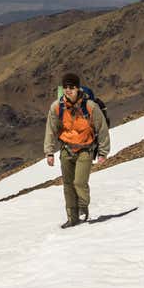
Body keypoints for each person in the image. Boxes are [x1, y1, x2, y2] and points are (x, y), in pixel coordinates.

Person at [44, 72, 110, 228]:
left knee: (79, 183)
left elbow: (102, 129)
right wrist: (49, 152)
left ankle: (82, 206)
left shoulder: (90, 107)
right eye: (66, 87)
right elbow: (51, 129)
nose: (68, 90)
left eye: (71, 87)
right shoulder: (57, 107)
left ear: (77, 88)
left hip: (85, 150)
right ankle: (72, 218)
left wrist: (103, 152)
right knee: (68, 185)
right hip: (66, 149)